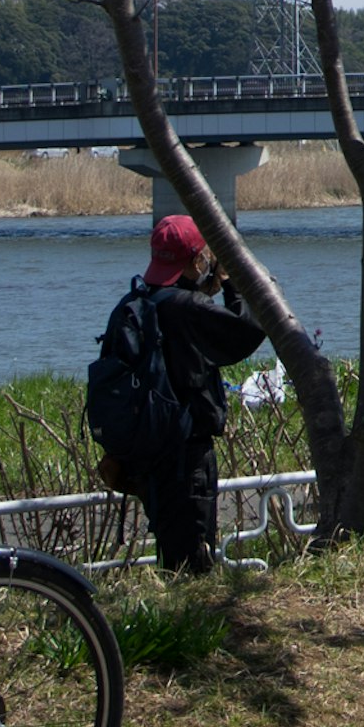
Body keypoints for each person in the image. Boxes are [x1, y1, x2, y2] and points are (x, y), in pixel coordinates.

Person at [96, 215, 271, 575]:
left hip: (145, 452)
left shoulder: (132, 305)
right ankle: (190, 623)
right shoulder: (187, 307)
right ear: (197, 261)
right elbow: (245, 331)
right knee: (193, 562)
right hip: (185, 453)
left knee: (169, 547)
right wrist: (232, 281)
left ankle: (176, 612)